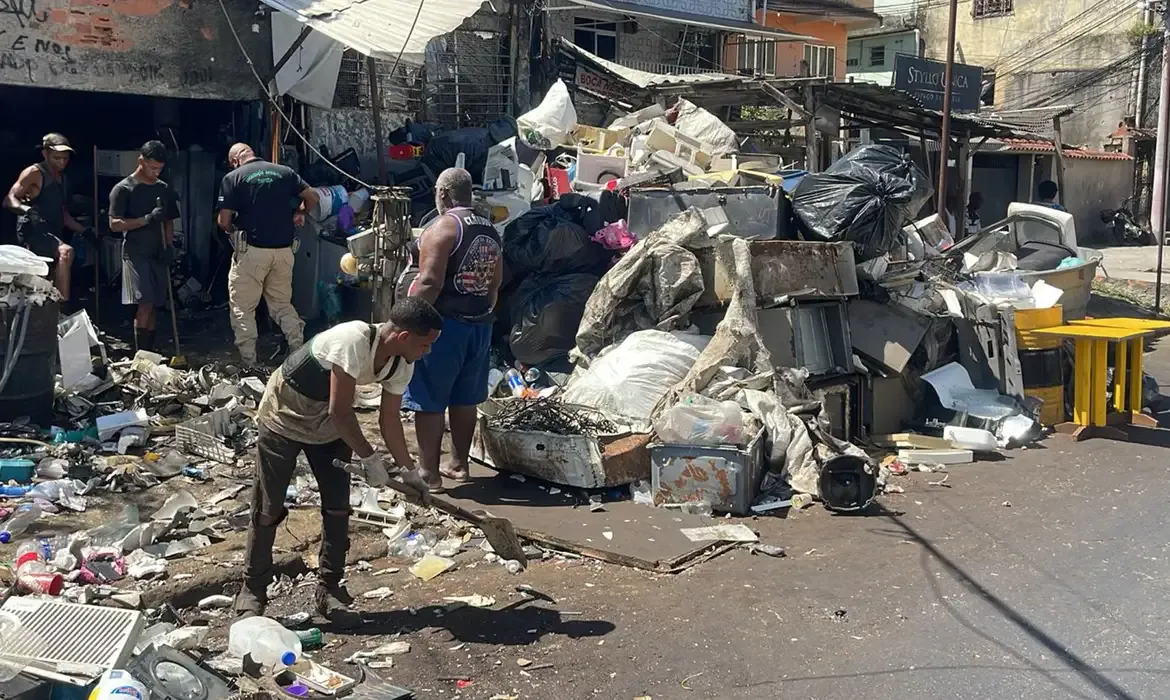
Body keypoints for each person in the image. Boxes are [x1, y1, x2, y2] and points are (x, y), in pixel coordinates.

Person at [235, 296, 443, 625]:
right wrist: (370, 458)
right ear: (404, 337)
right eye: (425, 344)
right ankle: (253, 589)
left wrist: (409, 471)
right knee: (268, 507)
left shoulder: (401, 363)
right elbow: (341, 410)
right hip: (285, 414)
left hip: (330, 426)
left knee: (337, 507)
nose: (427, 351)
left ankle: (329, 588)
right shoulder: (353, 340)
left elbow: (389, 421)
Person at [401, 167, 503, 490]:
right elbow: (496, 283)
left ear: (443, 194)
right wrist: (483, 312)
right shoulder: (490, 228)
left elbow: (429, 282)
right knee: (464, 398)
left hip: (445, 327)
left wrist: (408, 319)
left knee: (429, 397)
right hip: (479, 325)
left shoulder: (444, 226)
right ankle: (459, 465)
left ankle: (429, 473)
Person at [216, 143, 319, 367]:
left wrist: (232, 230)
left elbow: (224, 222)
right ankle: (298, 352)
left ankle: (249, 363)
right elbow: (313, 197)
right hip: (284, 252)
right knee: (282, 304)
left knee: (243, 308)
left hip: (251, 252)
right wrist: (300, 212)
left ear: (234, 160)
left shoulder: (233, 177)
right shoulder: (285, 172)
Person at [108, 141, 181, 353]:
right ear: (141, 161)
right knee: (145, 301)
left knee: (156, 303)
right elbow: (114, 224)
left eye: (159, 168)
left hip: (158, 252)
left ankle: (151, 351)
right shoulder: (123, 189)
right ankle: (141, 355)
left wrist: (169, 247)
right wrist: (147, 219)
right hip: (135, 253)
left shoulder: (163, 188)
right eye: (152, 167)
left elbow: (168, 221)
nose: (156, 172)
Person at [3, 133, 84, 301]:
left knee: (52, 274)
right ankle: (61, 304)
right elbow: (9, 200)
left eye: (65, 159)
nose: (61, 162)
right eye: (57, 158)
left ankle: (51, 311)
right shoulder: (34, 172)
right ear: (45, 154)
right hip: (33, 232)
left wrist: (87, 230)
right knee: (66, 252)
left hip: (53, 231)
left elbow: (64, 215)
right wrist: (26, 210)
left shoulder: (64, 179)